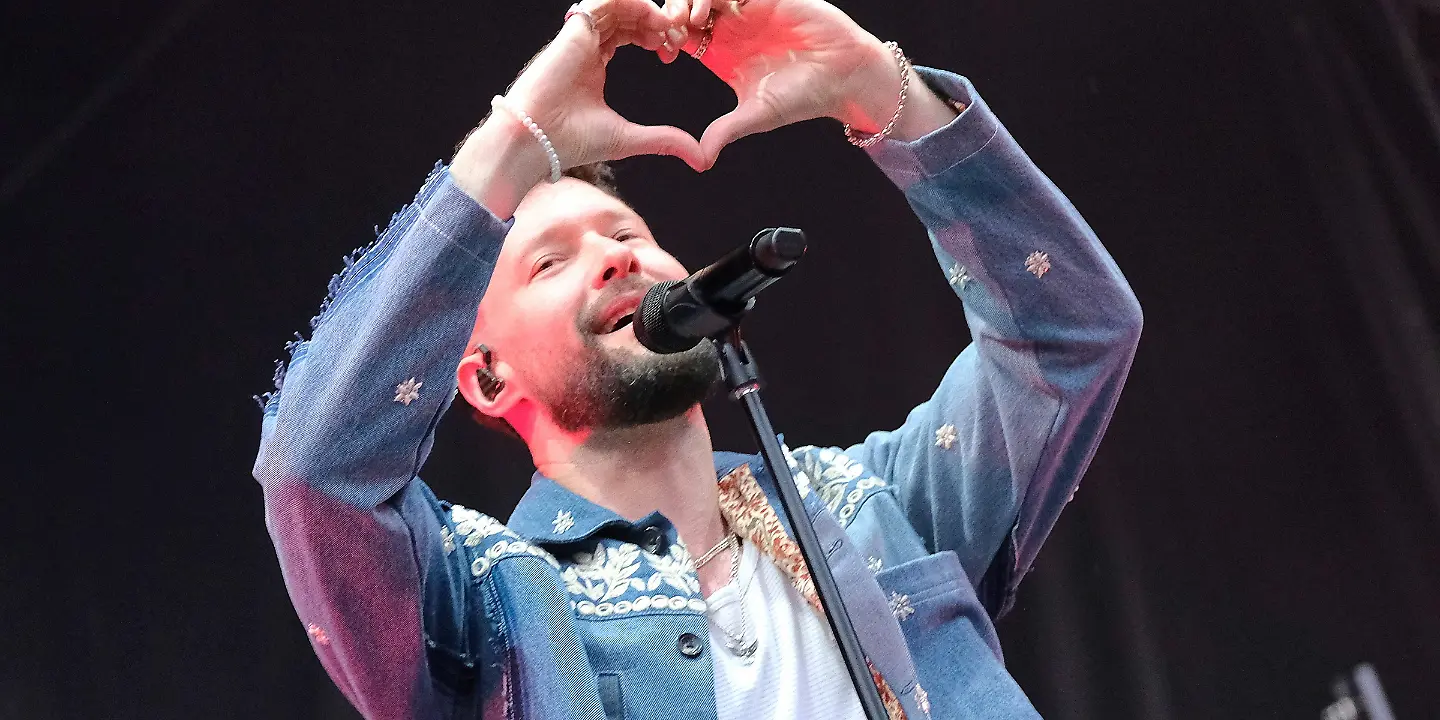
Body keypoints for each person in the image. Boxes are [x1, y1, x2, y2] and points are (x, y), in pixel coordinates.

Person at [252, 0, 1142, 717]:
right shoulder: (484, 602)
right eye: (551, 263)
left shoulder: (876, 507)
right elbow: (317, 472)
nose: (616, 256)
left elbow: (1069, 334)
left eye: (628, 233)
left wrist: (880, 89)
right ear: (485, 376)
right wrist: (514, 144)